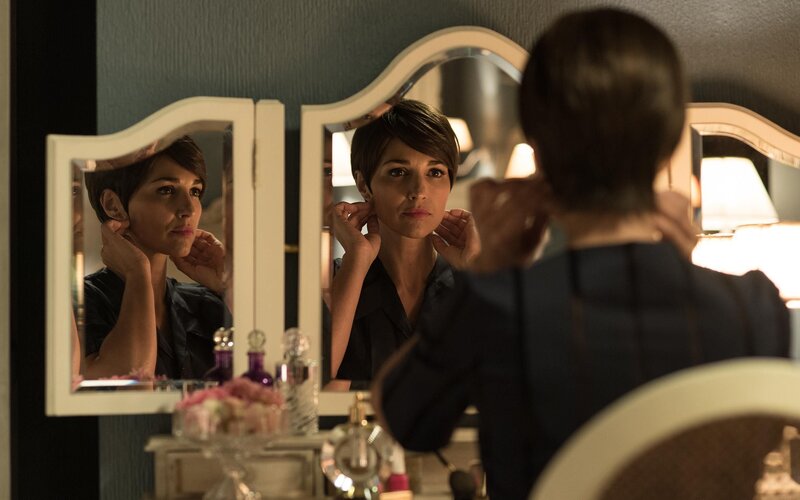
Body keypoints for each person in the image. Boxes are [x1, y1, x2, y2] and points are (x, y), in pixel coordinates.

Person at [372, 8, 790, 499]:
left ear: (539, 152)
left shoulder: (500, 307)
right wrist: (680, 264)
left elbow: (407, 421)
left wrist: (486, 272)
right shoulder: (754, 308)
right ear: (667, 143)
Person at [326, 99, 480, 390]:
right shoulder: (333, 283)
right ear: (364, 185)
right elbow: (317, 394)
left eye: (435, 172)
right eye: (398, 171)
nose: (419, 191)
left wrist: (476, 274)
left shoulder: (468, 285)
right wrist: (356, 261)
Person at [82, 136, 230, 380]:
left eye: (195, 191)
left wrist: (227, 284)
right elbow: (129, 386)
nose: (189, 209)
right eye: (166, 190)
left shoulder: (207, 304)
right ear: (113, 205)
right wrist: (137, 272)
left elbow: (266, 380)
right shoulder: (81, 303)